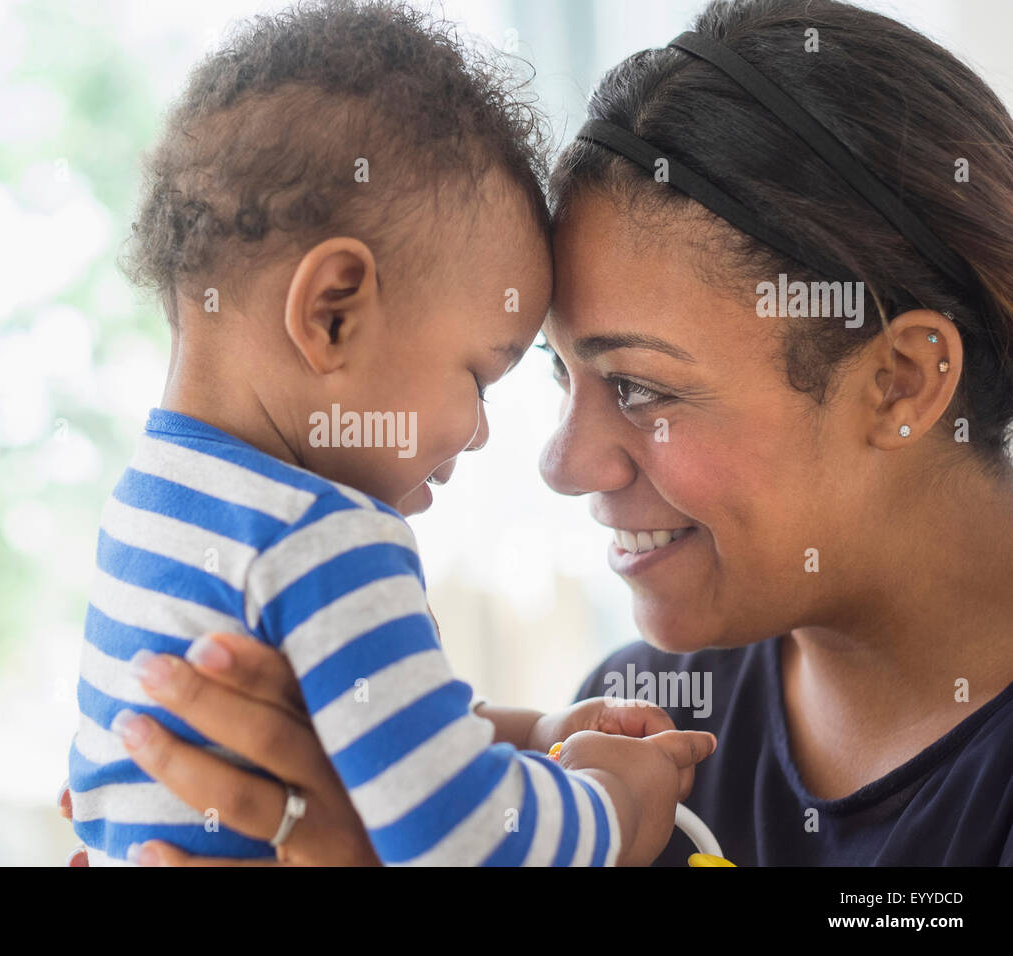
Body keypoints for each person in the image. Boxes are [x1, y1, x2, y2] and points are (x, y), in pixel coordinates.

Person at [64, 0, 1013, 866]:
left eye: (640, 384)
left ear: (900, 382)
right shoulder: (638, 720)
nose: (560, 465)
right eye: (561, 376)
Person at [66, 0, 715, 867]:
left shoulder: (152, 505)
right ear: (333, 314)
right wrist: (615, 805)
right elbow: (465, 838)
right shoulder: (326, 537)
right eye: (479, 377)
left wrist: (543, 730)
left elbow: (374, 722)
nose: (481, 434)